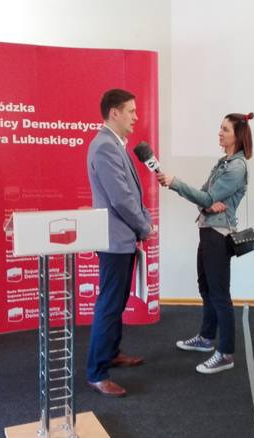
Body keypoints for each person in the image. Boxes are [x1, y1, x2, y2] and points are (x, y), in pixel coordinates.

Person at [156, 112, 254, 374]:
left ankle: (226, 354)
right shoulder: (223, 162)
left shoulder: (236, 167)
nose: (219, 133)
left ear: (238, 136)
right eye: (220, 128)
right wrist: (207, 204)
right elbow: (204, 196)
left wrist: (176, 184)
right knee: (206, 287)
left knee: (219, 294)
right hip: (207, 230)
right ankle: (206, 338)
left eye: (225, 129)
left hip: (218, 235)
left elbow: (207, 197)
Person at [86, 88, 156, 397]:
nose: (136, 117)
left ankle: (111, 353)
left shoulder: (114, 144)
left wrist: (143, 223)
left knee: (115, 302)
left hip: (122, 239)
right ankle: (97, 373)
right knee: (110, 304)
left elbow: (131, 194)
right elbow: (121, 199)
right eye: (131, 111)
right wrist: (144, 227)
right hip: (115, 241)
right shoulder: (105, 146)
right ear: (114, 113)